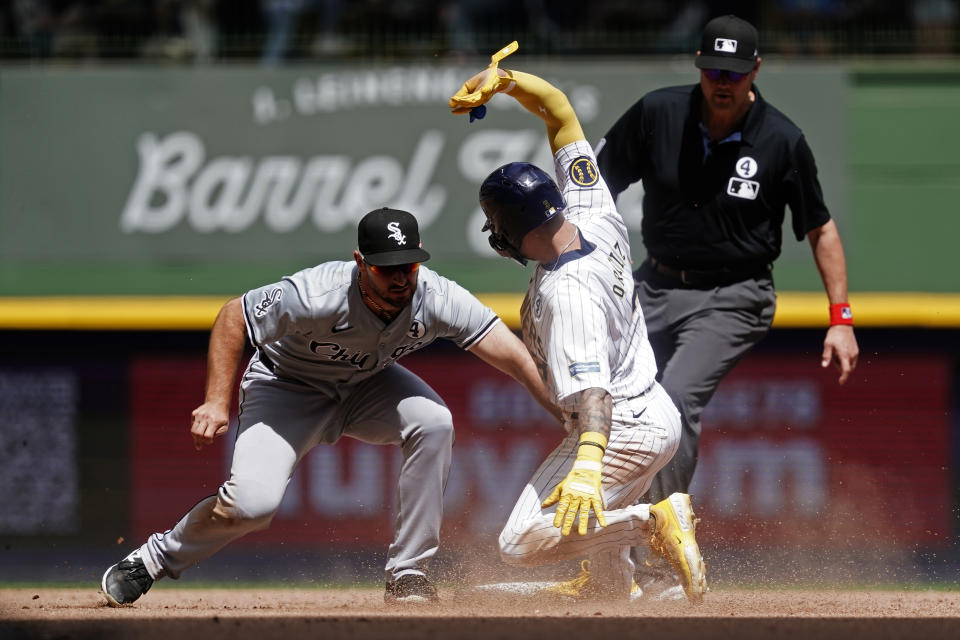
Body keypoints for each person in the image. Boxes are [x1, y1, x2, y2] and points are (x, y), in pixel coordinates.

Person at [100, 207, 560, 606]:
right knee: (252, 506)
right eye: (387, 268)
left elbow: (517, 358)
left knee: (434, 422)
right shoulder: (317, 293)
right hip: (286, 388)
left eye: (409, 266)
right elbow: (233, 315)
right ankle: (155, 557)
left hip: (366, 386)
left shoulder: (437, 297)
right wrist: (216, 402)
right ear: (361, 262)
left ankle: (408, 573)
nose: (400, 278)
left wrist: (568, 416)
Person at [594, 14, 860, 596]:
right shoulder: (659, 114)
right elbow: (595, 185)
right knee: (606, 403)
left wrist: (840, 319)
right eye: (713, 68)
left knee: (673, 401)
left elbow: (820, 229)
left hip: (734, 295)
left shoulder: (782, 140)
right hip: (654, 285)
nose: (723, 81)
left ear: (755, 71)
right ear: (698, 65)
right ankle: (608, 553)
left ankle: (662, 557)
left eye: (735, 72)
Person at [449, 57, 707, 602]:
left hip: (619, 427)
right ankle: (613, 587)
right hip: (654, 410)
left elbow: (593, 394)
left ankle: (653, 522)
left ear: (514, 229)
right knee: (605, 584)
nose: (494, 235)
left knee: (518, 542)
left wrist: (589, 462)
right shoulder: (593, 209)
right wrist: (507, 81)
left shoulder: (565, 294)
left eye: (496, 226)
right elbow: (560, 113)